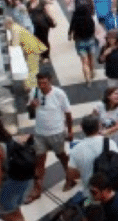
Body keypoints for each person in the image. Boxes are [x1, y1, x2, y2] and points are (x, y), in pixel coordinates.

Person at [25, 72, 73, 202]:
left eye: (44, 83)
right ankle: (36, 189)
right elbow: (30, 112)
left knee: (62, 157)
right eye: (39, 83)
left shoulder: (59, 94)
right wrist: (32, 107)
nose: (42, 86)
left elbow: (68, 113)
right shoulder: (34, 92)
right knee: (39, 161)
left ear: (50, 81)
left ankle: (70, 177)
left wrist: (70, 131)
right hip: (40, 133)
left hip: (57, 132)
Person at [0, 118, 32, 221]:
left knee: (7, 216)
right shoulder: (15, 140)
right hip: (24, 181)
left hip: (9, 186)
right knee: (16, 212)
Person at [66, 115, 118, 193]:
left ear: (82, 128)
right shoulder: (110, 143)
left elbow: (71, 175)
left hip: (90, 194)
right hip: (109, 193)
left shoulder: (76, 149)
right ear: (99, 126)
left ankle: (88, 203)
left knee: (86, 202)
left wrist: (84, 171)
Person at [93, 86, 118, 153]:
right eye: (115, 93)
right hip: (103, 140)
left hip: (117, 140)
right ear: (108, 96)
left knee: (117, 160)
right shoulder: (100, 105)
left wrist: (108, 131)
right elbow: (93, 119)